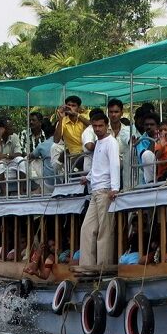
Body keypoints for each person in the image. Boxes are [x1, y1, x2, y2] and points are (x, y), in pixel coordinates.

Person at [79, 113, 120, 266]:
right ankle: (87, 266)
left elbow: (114, 165)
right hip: (95, 190)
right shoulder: (99, 142)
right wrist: (88, 177)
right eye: (95, 126)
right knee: (86, 229)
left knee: (104, 230)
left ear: (106, 125)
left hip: (105, 190)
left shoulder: (111, 142)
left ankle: (103, 266)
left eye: (100, 126)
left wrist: (115, 188)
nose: (97, 129)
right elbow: (98, 165)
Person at [52, 96, 89, 178]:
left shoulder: (84, 117)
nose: (70, 108)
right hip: (75, 157)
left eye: (73, 106)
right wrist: (60, 119)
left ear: (78, 108)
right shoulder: (63, 121)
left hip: (89, 153)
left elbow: (94, 127)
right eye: (68, 105)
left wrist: (77, 115)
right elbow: (56, 140)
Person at [27, 113, 56, 193]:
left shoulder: (43, 144)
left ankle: (39, 189)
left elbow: (31, 156)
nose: (31, 122)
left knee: (36, 163)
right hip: (58, 177)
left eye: (33, 120)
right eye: (30, 120)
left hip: (49, 178)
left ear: (40, 123)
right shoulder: (24, 134)